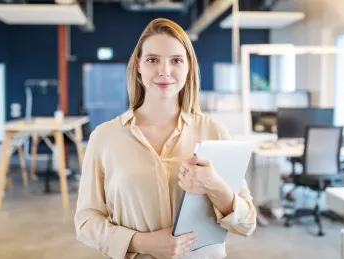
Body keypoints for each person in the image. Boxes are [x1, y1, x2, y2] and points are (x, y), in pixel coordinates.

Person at [75, 18, 256, 259]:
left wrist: (214, 186)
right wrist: (142, 242)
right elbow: (86, 222)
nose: (164, 71)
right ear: (138, 66)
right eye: (152, 60)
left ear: (188, 67)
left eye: (176, 61)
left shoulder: (215, 133)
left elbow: (247, 223)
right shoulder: (105, 137)